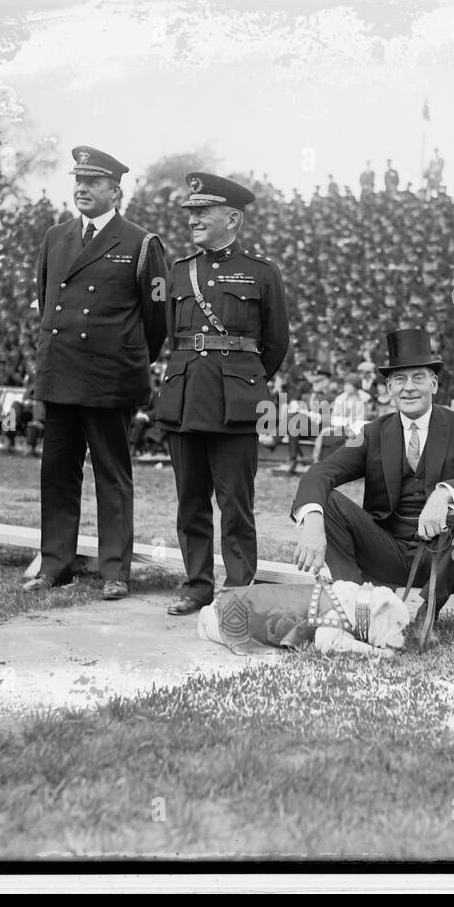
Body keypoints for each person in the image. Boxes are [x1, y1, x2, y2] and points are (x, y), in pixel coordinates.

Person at [290, 328, 454, 642]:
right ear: (389, 387)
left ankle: (426, 615)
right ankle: (353, 606)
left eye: (418, 378)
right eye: (400, 380)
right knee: (329, 502)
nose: (409, 388)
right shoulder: (373, 433)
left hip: (448, 555)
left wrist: (444, 494)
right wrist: (311, 520)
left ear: (434, 382)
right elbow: (320, 473)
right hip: (386, 552)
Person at [23, 146, 168, 598]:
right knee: (57, 472)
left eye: (93, 182)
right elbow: (46, 300)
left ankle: (114, 573)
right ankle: (55, 566)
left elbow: (157, 318)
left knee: (111, 473)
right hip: (61, 372)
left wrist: (124, 357)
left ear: (116, 192)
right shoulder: (55, 237)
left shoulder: (142, 243)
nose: (82, 189)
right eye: (78, 181)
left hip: (109, 377)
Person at [155, 172, 290, 615]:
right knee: (190, 499)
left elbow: (275, 344)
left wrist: (243, 381)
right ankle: (197, 584)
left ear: (232, 218)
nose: (193, 219)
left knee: (236, 502)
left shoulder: (262, 273)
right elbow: (169, 336)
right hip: (186, 398)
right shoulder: (178, 273)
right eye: (191, 212)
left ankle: (236, 589)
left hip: (236, 403)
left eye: (203, 211)